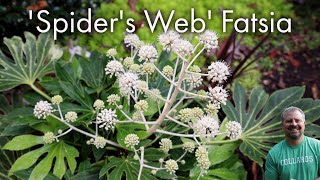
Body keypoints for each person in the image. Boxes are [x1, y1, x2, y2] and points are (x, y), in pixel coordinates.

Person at [265, 106, 320, 180]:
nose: (294, 124)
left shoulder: (317, 146)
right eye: (289, 121)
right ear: (282, 125)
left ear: (304, 124)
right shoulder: (274, 154)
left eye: (297, 120)